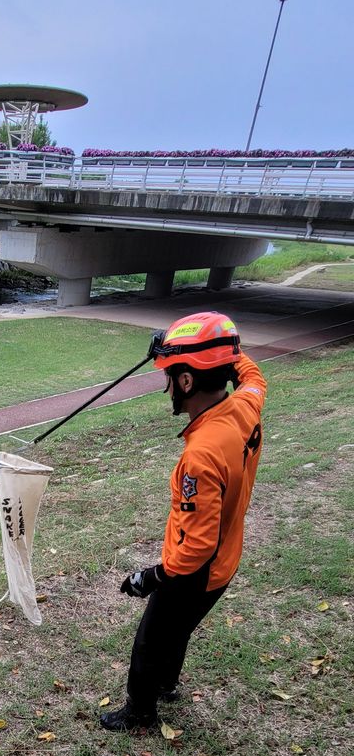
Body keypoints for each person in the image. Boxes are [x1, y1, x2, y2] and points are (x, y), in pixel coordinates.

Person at [101, 311, 267, 733]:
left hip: (195, 571)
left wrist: (152, 577)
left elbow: (196, 546)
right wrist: (220, 348)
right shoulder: (246, 404)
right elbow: (252, 375)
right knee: (178, 629)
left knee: (150, 640)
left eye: (170, 375)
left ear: (187, 382)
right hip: (225, 563)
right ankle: (167, 683)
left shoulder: (200, 456)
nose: (167, 385)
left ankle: (139, 713)